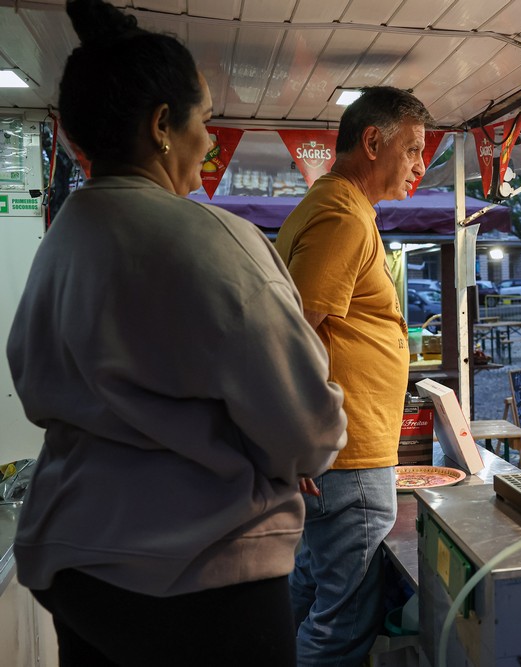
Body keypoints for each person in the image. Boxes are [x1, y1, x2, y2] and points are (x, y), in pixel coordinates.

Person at [6, 1, 348, 664]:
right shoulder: (214, 241)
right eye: (205, 119)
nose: (210, 142)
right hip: (200, 577)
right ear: (163, 125)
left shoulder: (65, 238)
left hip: (76, 568)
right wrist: (288, 455)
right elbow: (307, 428)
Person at [275, 86, 432, 666]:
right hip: (347, 454)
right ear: (372, 142)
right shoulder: (342, 214)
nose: (420, 166)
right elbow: (296, 332)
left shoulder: (339, 208)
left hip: (337, 454)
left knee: (310, 591)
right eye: (412, 149)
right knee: (343, 623)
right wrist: (300, 436)